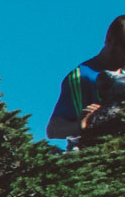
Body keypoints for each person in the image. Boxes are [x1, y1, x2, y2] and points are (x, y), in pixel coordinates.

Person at [46, 17, 125, 149]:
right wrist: (81, 125)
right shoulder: (81, 76)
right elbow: (53, 129)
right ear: (110, 40)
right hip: (93, 160)